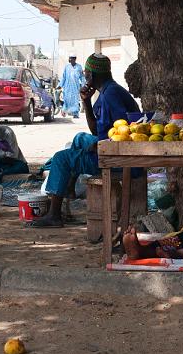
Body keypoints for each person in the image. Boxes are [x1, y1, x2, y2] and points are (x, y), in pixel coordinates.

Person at [30, 53, 140, 227]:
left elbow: (124, 130)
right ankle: (69, 187)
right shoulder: (109, 89)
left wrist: (99, 145)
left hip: (119, 158)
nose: (84, 76)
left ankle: (55, 214)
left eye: (86, 73)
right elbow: (97, 129)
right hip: (115, 149)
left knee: (61, 158)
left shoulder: (110, 94)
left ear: (92, 75)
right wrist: (86, 102)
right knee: (80, 138)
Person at [59, 53, 85, 118]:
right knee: (66, 100)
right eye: (69, 58)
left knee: (75, 100)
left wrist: (83, 85)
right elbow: (64, 77)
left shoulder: (79, 67)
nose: (70, 59)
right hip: (67, 87)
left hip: (75, 87)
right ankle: (64, 111)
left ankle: (75, 113)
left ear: (75, 59)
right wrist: (60, 85)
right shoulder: (67, 67)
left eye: (71, 58)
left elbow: (82, 77)